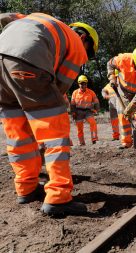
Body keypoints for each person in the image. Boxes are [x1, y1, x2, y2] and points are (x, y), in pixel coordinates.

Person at [0, 13, 98, 216]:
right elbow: (60, 88)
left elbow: (6, 17)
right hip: (28, 61)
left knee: (17, 131)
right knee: (55, 132)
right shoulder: (76, 44)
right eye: (89, 53)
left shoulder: (42, 22)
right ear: (84, 39)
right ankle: (58, 198)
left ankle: (26, 188)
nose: (84, 58)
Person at [107, 47, 136, 149]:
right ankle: (126, 142)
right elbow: (110, 63)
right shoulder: (122, 59)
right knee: (123, 115)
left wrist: (132, 106)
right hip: (123, 91)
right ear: (134, 61)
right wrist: (112, 77)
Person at [71, 75, 100, 145]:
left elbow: (96, 102)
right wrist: (73, 113)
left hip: (88, 111)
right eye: (81, 84)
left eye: (85, 83)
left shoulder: (91, 92)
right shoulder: (75, 93)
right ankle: (81, 142)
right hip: (78, 112)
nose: (83, 85)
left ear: (86, 84)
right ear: (79, 84)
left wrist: (97, 110)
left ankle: (94, 139)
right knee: (79, 128)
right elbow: (72, 104)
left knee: (93, 123)